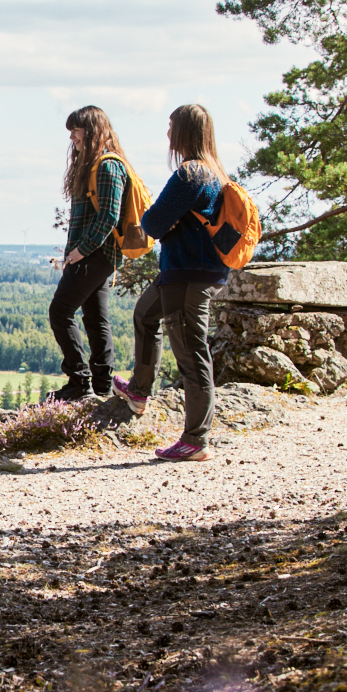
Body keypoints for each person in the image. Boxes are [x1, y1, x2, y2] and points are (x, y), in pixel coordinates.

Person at [113, 103, 233, 461]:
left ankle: (196, 440)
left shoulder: (190, 174)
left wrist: (164, 220)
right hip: (190, 272)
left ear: (182, 132)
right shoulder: (215, 173)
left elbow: (151, 224)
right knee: (145, 315)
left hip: (188, 275)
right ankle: (139, 390)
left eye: (170, 127)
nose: (166, 134)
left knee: (192, 353)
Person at [50, 105, 149, 401]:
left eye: (76, 131)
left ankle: (80, 381)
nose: (72, 138)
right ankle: (102, 386)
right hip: (95, 255)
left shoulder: (107, 166)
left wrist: (80, 251)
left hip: (97, 254)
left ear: (92, 131)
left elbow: (108, 216)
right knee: (95, 318)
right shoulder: (96, 165)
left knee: (61, 311)